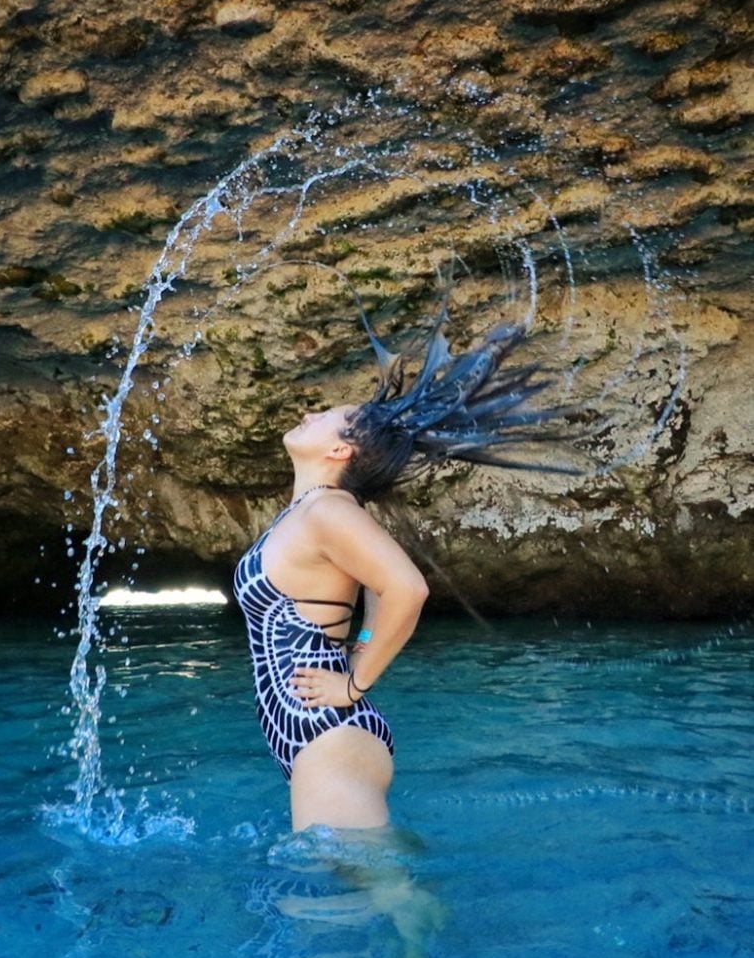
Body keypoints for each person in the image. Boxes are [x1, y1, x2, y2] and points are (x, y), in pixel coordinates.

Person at [234, 318, 577, 832]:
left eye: (327, 415)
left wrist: (355, 681)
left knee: (343, 894)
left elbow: (407, 588)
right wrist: (364, 641)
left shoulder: (329, 510)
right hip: (308, 731)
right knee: (360, 887)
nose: (310, 412)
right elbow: (376, 586)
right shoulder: (309, 512)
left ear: (340, 451)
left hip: (328, 730)